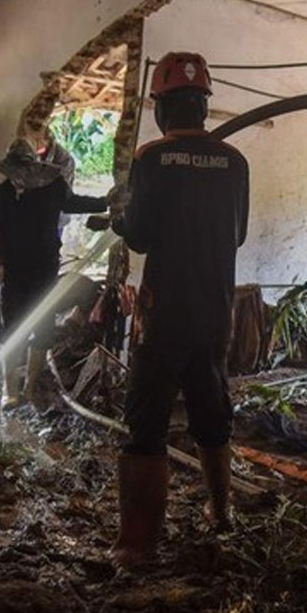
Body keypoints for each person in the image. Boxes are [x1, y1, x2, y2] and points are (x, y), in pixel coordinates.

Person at [102, 51, 249, 564]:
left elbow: (139, 237)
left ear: (162, 109)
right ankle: (222, 513)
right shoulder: (234, 162)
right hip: (213, 313)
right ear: (204, 107)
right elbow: (239, 234)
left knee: (146, 426)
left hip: (162, 316)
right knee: (213, 416)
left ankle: (138, 544)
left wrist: (121, 219)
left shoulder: (150, 159)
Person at [0, 138, 110, 409]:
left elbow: (73, 203)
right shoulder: (5, 192)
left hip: (44, 267)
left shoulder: (53, 187)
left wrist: (105, 201)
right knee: (12, 326)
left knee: (42, 325)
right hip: (14, 269)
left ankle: (29, 387)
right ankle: (11, 391)